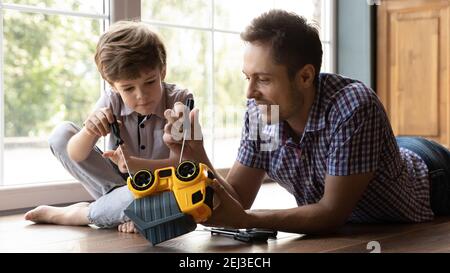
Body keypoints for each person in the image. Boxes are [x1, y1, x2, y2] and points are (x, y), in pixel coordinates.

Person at [163, 9, 450, 234]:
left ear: (305, 76)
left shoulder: (353, 105)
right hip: (374, 157)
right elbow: (237, 199)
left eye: (263, 79)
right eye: (247, 78)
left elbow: (330, 213)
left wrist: (247, 219)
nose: (250, 93)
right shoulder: (264, 113)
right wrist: (194, 154)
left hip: (431, 175)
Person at [24, 21, 192, 233]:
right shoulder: (111, 99)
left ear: (163, 71)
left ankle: (78, 214)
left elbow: (186, 164)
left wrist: (136, 164)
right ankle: (125, 209)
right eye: (128, 88)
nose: (141, 95)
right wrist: (89, 131)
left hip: (158, 188)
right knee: (61, 135)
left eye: (150, 82)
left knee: (177, 202)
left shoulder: (181, 102)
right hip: (121, 187)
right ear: (113, 85)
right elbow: (75, 155)